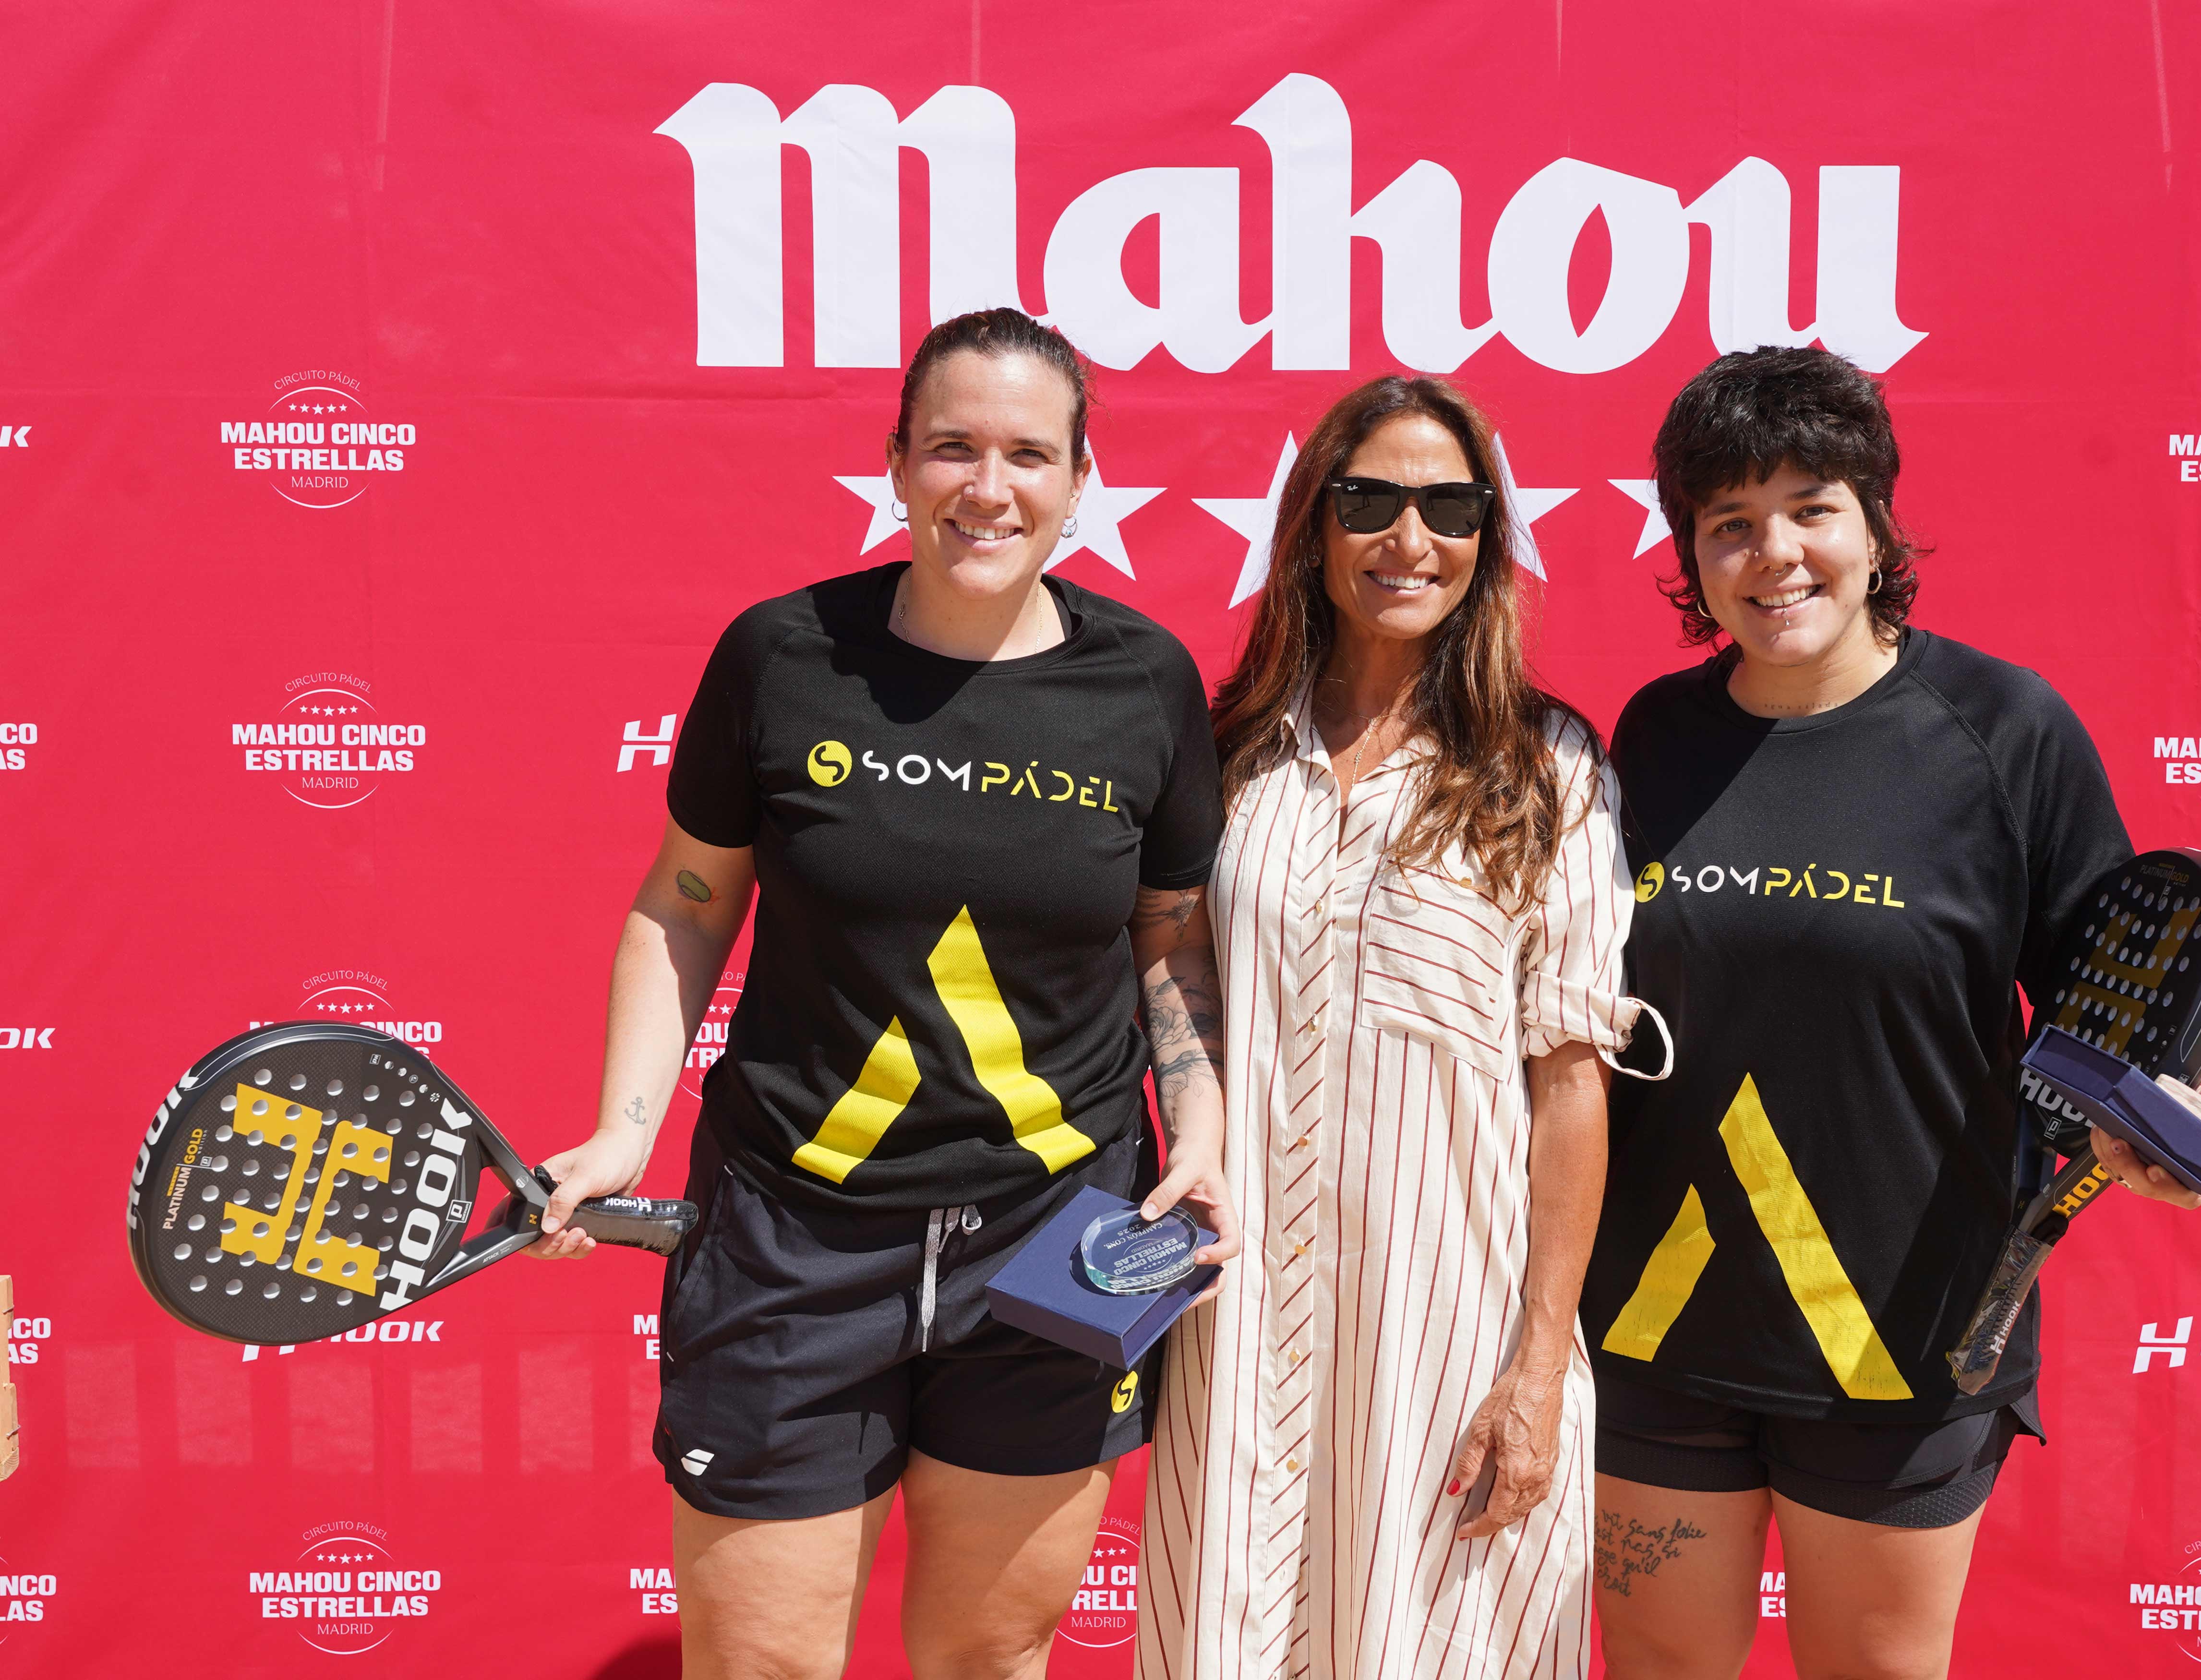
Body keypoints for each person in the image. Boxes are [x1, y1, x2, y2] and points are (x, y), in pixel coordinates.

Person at [527, 307, 1240, 1680]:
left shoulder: (1145, 681)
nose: (990, 488)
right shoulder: (783, 655)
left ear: (1081, 479)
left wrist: (1200, 1131)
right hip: (792, 1238)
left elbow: (1170, 937)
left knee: (993, 1656)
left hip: (1066, 1236)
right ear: (900, 463)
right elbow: (686, 902)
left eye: (1029, 454)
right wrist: (623, 1131)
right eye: (954, 447)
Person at [1582, 347, 2201, 1680]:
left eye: (1811, 508)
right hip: (1658, 1323)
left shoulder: (2005, 731)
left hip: (1905, 1330)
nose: (1774, 554)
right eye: (1730, 523)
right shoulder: (1653, 735)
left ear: (1874, 524)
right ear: (1692, 555)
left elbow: (2107, 1019)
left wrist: (2151, 1122)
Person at [1140, 376, 1641, 1680]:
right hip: (1238, 1316)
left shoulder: (1549, 768)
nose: (1410, 538)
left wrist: (1539, 1365)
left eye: (1450, 508)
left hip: (1451, 1329)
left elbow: (1571, 1085)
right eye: (1369, 501)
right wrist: (1198, 1124)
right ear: (1313, 524)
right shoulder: (1229, 751)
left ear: (1488, 537)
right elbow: (1174, 962)